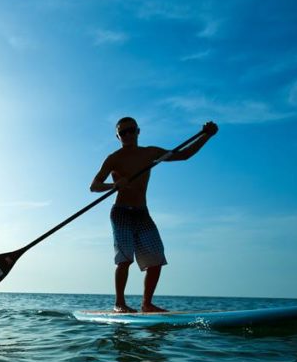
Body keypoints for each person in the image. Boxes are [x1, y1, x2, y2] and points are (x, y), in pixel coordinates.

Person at [90, 118, 218, 313]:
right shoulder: (113, 158)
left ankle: (146, 304)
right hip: (121, 212)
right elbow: (94, 186)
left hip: (142, 212)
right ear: (118, 136)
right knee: (125, 259)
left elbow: (184, 155)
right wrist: (114, 185)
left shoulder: (150, 153)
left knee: (156, 259)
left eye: (130, 130)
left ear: (138, 131)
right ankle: (119, 303)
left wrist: (206, 136)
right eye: (123, 133)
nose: (127, 135)